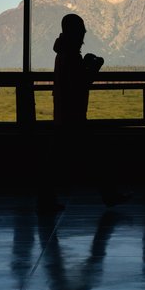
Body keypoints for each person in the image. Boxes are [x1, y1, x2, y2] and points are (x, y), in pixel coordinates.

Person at [36, 13, 130, 212]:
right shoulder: (70, 56)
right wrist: (94, 68)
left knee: (57, 161)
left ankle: (46, 200)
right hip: (73, 117)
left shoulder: (62, 54)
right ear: (74, 32)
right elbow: (79, 85)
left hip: (64, 116)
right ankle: (108, 195)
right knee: (94, 157)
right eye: (81, 30)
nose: (84, 34)